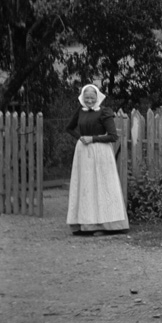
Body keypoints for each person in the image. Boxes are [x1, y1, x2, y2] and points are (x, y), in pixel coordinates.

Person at [66, 84, 129, 236]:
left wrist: (93, 139)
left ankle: (107, 224)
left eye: (92, 98)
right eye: (86, 98)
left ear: (97, 97)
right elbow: (69, 128)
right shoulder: (80, 111)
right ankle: (86, 224)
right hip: (84, 152)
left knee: (102, 186)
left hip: (101, 153)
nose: (89, 101)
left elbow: (113, 136)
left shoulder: (104, 112)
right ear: (82, 97)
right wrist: (81, 138)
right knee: (86, 187)